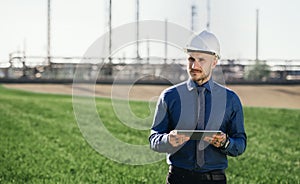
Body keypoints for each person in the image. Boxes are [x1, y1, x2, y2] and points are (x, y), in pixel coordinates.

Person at [149, 30, 247, 184]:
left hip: (214, 179)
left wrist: (225, 143)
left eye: (201, 60)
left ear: (214, 62)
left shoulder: (231, 100)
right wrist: (168, 140)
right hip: (178, 178)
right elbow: (154, 138)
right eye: (191, 59)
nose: (194, 65)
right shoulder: (169, 97)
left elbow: (240, 143)